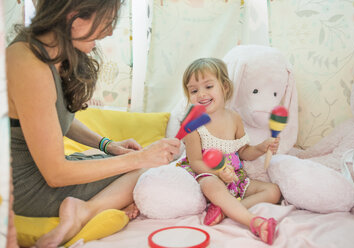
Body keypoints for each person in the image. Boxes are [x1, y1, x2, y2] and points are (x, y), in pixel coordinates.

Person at [6, 0, 180, 247]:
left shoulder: (54, 52)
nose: (109, 32)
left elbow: (55, 119)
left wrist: (109, 146)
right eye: (107, 21)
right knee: (149, 172)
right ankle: (84, 211)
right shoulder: (28, 63)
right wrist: (140, 159)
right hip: (27, 187)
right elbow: (56, 174)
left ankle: (84, 209)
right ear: (74, 19)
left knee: (137, 166)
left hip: (44, 172)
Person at [177, 58, 282, 245]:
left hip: (234, 177)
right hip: (207, 174)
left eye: (208, 86)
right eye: (194, 90)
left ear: (224, 87)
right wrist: (218, 172)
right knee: (210, 184)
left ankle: (226, 210)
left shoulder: (234, 118)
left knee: (273, 191)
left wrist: (262, 147)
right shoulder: (192, 124)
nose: (201, 94)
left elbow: (242, 151)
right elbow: (195, 162)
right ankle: (253, 221)